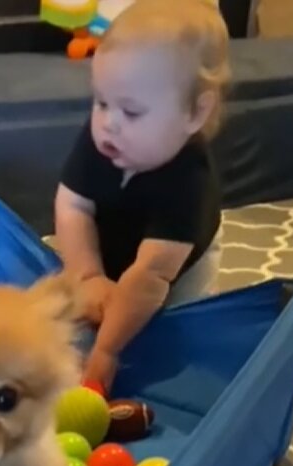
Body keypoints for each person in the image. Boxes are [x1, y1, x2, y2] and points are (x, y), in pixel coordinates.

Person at [53, 0, 230, 390]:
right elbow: (72, 205)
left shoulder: (189, 181)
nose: (109, 123)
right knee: (78, 306)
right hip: (113, 235)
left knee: (170, 335)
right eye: (100, 102)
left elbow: (151, 276)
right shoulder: (103, 136)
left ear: (195, 114)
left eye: (131, 112)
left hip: (172, 267)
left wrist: (107, 350)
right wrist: (88, 275)